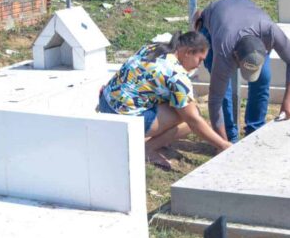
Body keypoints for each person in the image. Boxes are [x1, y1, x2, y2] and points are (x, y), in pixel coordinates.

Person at [99, 31, 232, 169]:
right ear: (188, 52)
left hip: (105, 103)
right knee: (189, 119)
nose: (199, 65)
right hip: (123, 121)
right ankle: (147, 149)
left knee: (179, 104)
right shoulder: (176, 76)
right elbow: (193, 121)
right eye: (200, 59)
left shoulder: (153, 48)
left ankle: (153, 138)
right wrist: (223, 145)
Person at [193, 0, 290, 143]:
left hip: (248, 21)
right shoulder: (225, 49)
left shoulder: (270, 31)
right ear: (236, 56)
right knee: (223, 88)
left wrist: (289, 100)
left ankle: (255, 131)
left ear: (264, 49)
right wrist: (223, 145)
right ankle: (229, 137)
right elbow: (215, 99)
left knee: (263, 78)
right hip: (214, 22)